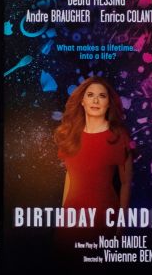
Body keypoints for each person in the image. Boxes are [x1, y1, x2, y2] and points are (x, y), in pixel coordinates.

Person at [54, 76, 134, 216]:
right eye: (90, 95)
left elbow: (126, 184)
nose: (95, 100)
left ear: (109, 103)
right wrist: (63, 213)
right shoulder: (71, 134)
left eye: (102, 96)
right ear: (82, 101)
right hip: (70, 219)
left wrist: (121, 226)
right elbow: (70, 175)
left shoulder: (120, 137)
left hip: (105, 217)